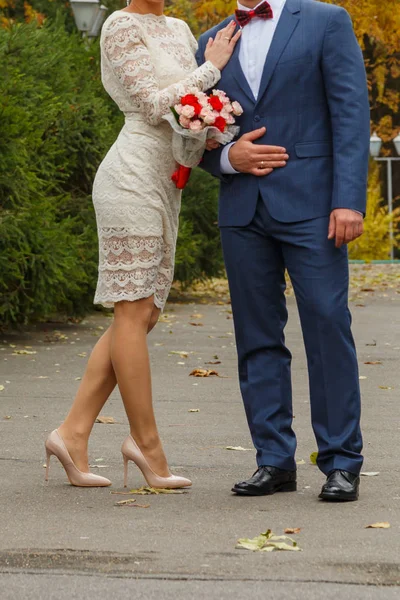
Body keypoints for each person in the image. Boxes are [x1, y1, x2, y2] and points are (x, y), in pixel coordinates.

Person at [44, 0, 240, 489]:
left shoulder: (178, 27)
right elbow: (153, 103)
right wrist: (210, 70)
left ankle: (72, 433)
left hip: (166, 181)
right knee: (132, 310)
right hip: (129, 177)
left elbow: (180, 113)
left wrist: (206, 128)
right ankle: (147, 447)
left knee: (144, 313)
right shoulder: (119, 25)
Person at [196, 0, 370, 501]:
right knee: (256, 338)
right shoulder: (211, 40)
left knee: (327, 325)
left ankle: (341, 462)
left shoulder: (325, 20)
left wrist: (348, 201)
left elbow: (350, 114)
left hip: (316, 206)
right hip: (243, 210)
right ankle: (273, 460)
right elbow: (194, 130)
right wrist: (228, 157)